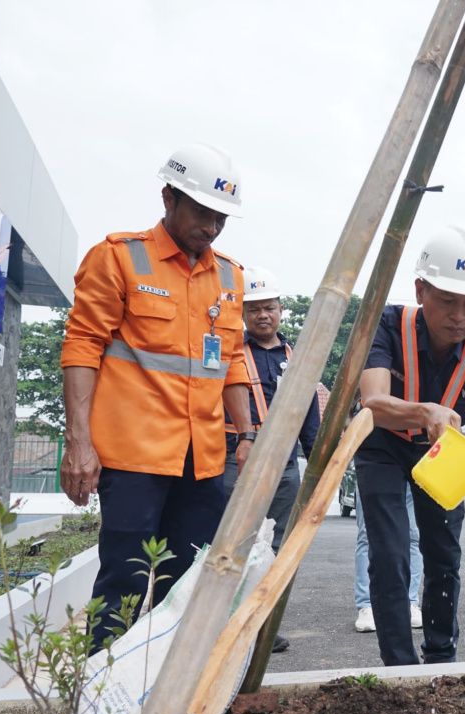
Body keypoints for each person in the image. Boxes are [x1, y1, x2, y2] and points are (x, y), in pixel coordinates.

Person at [60, 144, 251, 649]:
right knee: (122, 581)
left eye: (221, 218)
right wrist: (79, 442)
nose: (211, 227)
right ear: (168, 197)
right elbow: (82, 346)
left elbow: (231, 360)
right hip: (134, 460)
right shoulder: (120, 258)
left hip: (203, 460)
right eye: (202, 212)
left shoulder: (231, 276)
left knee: (187, 586)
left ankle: (166, 697)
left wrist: (247, 435)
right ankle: (100, 698)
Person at [355, 225, 465, 666]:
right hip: (383, 443)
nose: (460, 316)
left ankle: (441, 657)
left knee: (444, 554)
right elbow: (374, 402)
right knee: (392, 553)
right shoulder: (388, 324)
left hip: (443, 452)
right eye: (448, 301)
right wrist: (425, 411)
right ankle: (399, 666)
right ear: (421, 289)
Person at [221, 266, 321, 651]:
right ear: (244, 315)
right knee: (233, 540)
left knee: (274, 545)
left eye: (270, 308)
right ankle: (227, 625)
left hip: (284, 461)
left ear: (281, 311)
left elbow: (309, 413)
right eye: (254, 309)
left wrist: (315, 465)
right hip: (237, 458)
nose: (263, 315)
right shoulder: (232, 353)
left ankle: (262, 626)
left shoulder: (296, 356)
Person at [354, 486, 422, 632]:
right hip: (373, 467)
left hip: (413, 470)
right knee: (367, 535)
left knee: (412, 536)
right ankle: (366, 605)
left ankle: (410, 601)